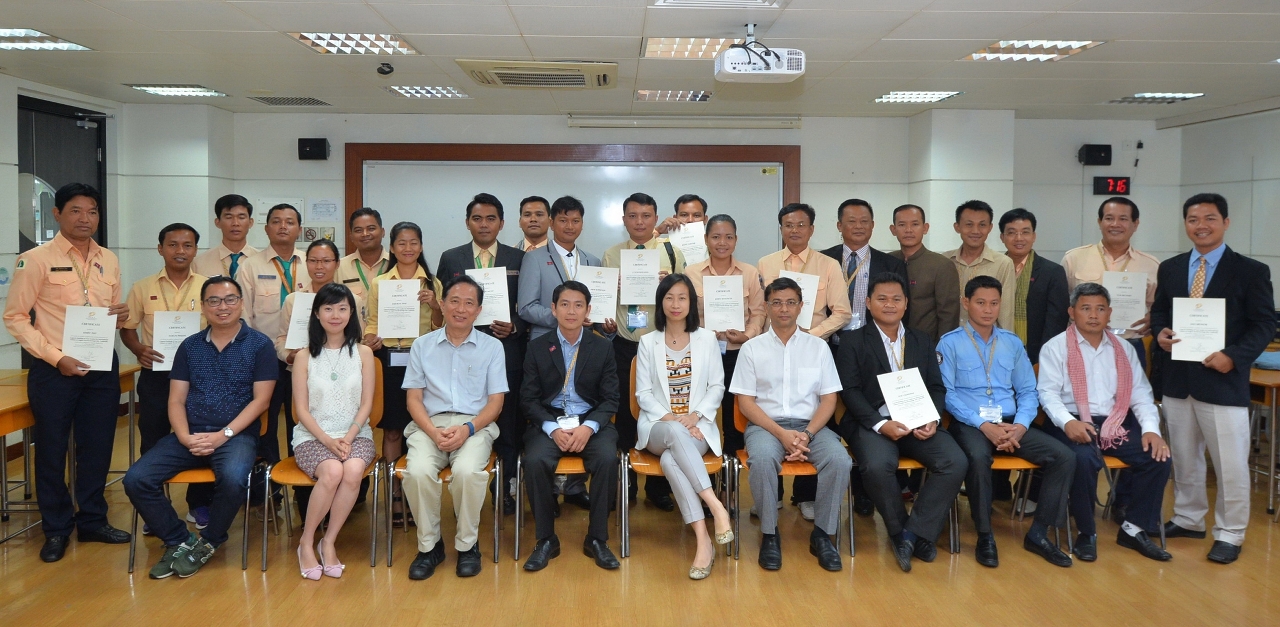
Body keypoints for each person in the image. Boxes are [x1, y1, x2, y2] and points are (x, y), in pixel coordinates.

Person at [4, 182, 132, 563]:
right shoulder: (35, 259)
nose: (85, 219)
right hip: (54, 368)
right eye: (76, 210)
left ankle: (93, 520)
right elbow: (14, 317)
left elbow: (108, 308)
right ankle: (56, 528)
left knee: (96, 447)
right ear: (57, 213)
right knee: (51, 449)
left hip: (99, 366)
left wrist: (120, 315)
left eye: (92, 211)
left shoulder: (108, 258)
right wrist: (55, 356)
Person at [122, 276, 277, 579]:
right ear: (203, 307)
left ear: (241, 303)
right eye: (214, 301)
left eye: (230, 299)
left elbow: (261, 401)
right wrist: (184, 437)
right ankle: (180, 539)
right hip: (189, 434)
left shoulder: (260, 346)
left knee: (233, 479)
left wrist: (222, 436)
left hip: (235, 436)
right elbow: (176, 401)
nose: (223, 307)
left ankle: (210, 540)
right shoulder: (190, 346)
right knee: (136, 479)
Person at [1152, 193, 1274, 565]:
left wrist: (1232, 357)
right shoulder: (1171, 268)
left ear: (1225, 221)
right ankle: (1189, 519)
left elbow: (1265, 323)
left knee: (1231, 464)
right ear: (1185, 223)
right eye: (1192, 219)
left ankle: (1230, 532)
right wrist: (1160, 334)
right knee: (1186, 460)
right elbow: (1159, 313)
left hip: (1221, 382)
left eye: (1209, 218)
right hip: (1177, 381)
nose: (1200, 225)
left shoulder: (1251, 271)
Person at [937, 275, 1075, 568]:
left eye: (994, 303)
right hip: (972, 424)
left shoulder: (1012, 343)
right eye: (980, 302)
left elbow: (1028, 391)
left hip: (1012, 423)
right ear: (966, 303)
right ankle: (985, 535)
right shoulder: (949, 343)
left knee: (1063, 456)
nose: (988, 310)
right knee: (976, 457)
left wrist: (1021, 426)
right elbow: (947, 394)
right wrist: (984, 426)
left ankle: (1038, 533)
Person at [835, 272, 967, 573]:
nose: (890, 304)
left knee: (954, 460)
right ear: (868, 303)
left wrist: (932, 418)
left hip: (918, 421)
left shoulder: (921, 339)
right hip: (873, 422)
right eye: (882, 299)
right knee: (877, 465)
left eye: (897, 299)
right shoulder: (853, 341)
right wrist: (880, 425)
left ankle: (914, 532)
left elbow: (936, 386)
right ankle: (899, 531)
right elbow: (849, 391)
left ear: (906, 304)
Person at [1036, 282, 1172, 563]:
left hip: (1115, 421)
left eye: (1100, 309)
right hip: (1069, 419)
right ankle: (1087, 531)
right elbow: (1047, 395)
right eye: (1086, 308)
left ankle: (1133, 529)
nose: (1094, 315)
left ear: (1110, 313)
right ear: (1072, 312)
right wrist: (1066, 423)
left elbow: (1141, 395)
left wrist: (1151, 430)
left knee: (1158, 457)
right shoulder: (1055, 347)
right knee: (1083, 458)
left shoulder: (1124, 348)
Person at [731, 277, 852, 572]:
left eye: (790, 302)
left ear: (800, 307)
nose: (783, 309)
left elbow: (829, 401)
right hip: (766, 425)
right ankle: (770, 535)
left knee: (840, 460)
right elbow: (746, 404)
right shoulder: (751, 349)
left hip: (812, 425)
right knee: (760, 459)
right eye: (776, 302)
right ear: (766, 306)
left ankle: (823, 535)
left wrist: (807, 434)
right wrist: (783, 435)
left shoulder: (818, 348)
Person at [401, 276, 508, 580]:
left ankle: (467, 546)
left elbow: (495, 403)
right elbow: (413, 399)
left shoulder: (492, 347)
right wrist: (433, 432)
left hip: (474, 426)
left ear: (478, 311)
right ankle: (429, 546)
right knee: (418, 471)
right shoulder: (422, 345)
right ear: (443, 304)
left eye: (469, 303)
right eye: (454, 301)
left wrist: (468, 429)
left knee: (467, 472)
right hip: (429, 425)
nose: (461, 309)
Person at [634, 274, 734, 579]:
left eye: (682, 298)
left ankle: (703, 541)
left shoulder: (706, 339)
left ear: (691, 303)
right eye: (669, 297)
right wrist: (675, 420)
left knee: (669, 461)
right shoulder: (647, 342)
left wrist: (697, 416)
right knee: (673, 439)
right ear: (660, 303)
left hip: (698, 427)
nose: (675, 304)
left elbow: (717, 386)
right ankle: (716, 506)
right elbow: (643, 394)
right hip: (658, 427)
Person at [520, 281, 621, 572]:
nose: (571, 311)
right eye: (564, 304)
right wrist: (552, 428)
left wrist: (588, 427)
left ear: (588, 310)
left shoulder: (601, 347)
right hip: (551, 422)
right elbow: (528, 399)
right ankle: (546, 539)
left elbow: (610, 398)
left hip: (589, 421)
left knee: (606, 458)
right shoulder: (538, 347)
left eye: (579, 305)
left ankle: (597, 539)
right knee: (535, 460)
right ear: (553, 309)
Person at [436, 193, 526, 516]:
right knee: (473, 415)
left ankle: (507, 488)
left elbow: (527, 305)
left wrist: (514, 326)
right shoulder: (451, 257)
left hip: (508, 351)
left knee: (510, 423)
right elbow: (444, 302)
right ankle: (471, 481)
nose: (484, 224)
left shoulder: (519, 258)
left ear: (502, 223)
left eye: (491, 219)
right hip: (462, 354)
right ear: (467, 223)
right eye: (477, 218)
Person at [120, 222, 211, 530]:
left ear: (196, 250)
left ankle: (199, 504)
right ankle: (155, 507)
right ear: (160, 249)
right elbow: (127, 327)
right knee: (154, 438)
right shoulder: (142, 287)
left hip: (201, 376)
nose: (180, 251)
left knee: (200, 436)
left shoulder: (210, 287)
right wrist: (137, 350)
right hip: (156, 375)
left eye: (187, 245)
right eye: (172, 245)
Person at [603, 192, 686, 511]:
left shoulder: (671, 251)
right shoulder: (611, 254)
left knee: (662, 413)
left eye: (646, 215)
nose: (640, 222)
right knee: (625, 413)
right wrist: (606, 323)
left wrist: (668, 285)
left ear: (655, 218)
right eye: (633, 216)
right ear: (624, 220)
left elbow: (684, 296)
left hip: (664, 345)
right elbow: (604, 300)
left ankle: (659, 486)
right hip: (624, 344)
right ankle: (626, 481)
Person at [291, 283, 376, 580]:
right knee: (332, 473)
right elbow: (301, 410)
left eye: (342, 308)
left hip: (356, 433)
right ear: (316, 313)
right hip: (313, 435)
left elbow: (366, 404)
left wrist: (349, 437)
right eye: (328, 308)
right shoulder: (303, 356)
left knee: (352, 471)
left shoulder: (363, 352)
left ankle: (328, 542)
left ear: (351, 312)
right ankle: (306, 541)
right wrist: (328, 440)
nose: (335, 315)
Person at [363, 221, 445, 527]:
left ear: (421, 247)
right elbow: (372, 324)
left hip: (424, 362)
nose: (408, 248)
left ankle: (417, 493)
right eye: (401, 243)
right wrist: (371, 340)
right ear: (392, 248)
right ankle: (395, 494)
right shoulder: (380, 283)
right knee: (393, 429)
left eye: (413, 243)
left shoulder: (432, 284)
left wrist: (435, 305)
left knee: (421, 430)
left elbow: (441, 329)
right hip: (390, 361)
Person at [683, 214, 766, 456]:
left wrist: (747, 336)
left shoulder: (749, 273)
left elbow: (759, 313)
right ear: (706, 239)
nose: (722, 242)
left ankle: (730, 481)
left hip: (736, 354)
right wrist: (702, 334)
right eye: (716, 237)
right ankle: (703, 476)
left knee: (733, 419)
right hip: (701, 355)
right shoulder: (691, 272)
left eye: (728, 237)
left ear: (736, 240)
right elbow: (684, 313)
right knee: (700, 416)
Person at [238, 203, 307, 467]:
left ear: (299, 229)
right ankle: (270, 488)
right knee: (264, 422)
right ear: (266, 228)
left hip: (302, 357)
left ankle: (302, 478)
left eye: (290, 222)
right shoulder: (250, 266)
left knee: (299, 420)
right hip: (264, 356)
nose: (283, 227)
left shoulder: (311, 263)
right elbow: (243, 313)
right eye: (276, 221)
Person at [1060, 197, 1159, 369]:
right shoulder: (1074, 259)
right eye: (1109, 218)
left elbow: (1159, 307)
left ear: (1135, 224)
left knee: (1131, 396)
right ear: (1099, 222)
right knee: (1078, 395)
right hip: (1081, 343)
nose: (1115, 224)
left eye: (1123, 219)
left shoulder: (1151, 265)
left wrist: (1154, 317)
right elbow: (1061, 304)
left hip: (1130, 344)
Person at [757, 203, 852, 341]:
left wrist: (812, 335)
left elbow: (843, 312)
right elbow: (760, 309)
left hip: (812, 344)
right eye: (789, 225)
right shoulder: (765, 263)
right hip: (772, 342)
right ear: (781, 229)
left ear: (811, 229)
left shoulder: (829, 265)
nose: (794, 230)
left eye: (801, 225)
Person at [517, 195, 603, 339]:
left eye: (575, 221)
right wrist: (564, 318)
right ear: (551, 223)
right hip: (546, 339)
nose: (570, 226)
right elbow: (526, 307)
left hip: (585, 342)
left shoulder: (593, 261)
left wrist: (606, 327)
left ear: (582, 224)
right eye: (563, 221)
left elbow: (597, 307)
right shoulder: (534, 258)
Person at [277, 239, 365, 371]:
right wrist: (289, 356)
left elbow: (359, 338)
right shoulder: (293, 300)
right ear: (306, 263)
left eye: (326, 261)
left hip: (342, 369)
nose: (319, 267)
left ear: (337, 264)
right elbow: (282, 338)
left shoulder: (353, 300)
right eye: (313, 261)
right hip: (300, 369)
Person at [999, 208, 1068, 365]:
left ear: (1034, 236)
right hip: (996, 352)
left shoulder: (1052, 272)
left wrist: (1043, 358)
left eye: (1025, 232)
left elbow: (1056, 321)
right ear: (1002, 237)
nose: (1019, 238)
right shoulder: (994, 268)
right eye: (1011, 233)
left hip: (1036, 356)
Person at [888, 204, 960, 342]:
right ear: (893, 229)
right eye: (902, 225)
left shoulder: (941, 265)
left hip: (926, 345)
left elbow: (948, 315)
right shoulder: (887, 261)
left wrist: (941, 351)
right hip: (888, 345)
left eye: (915, 224)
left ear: (925, 228)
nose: (908, 230)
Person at [945, 200, 1015, 330]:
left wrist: (1006, 344)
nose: (975, 231)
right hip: (947, 341)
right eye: (969, 224)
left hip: (986, 342)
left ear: (990, 227)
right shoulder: (944, 261)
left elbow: (1006, 312)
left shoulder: (1003, 263)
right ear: (957, 227)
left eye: (982, 225)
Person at [192, 194, 258, 281]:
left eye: (241, 217)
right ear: (217, 222)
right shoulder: (198, 263)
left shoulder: (263, 260)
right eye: (229, 217)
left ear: (250, 222)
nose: (235, 223)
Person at [335, 207, 389, 308]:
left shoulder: (397, 264)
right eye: (358, 230)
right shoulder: (339, 267)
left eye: (371, 229)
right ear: (351, 236)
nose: (365, 234)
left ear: (382, 232)